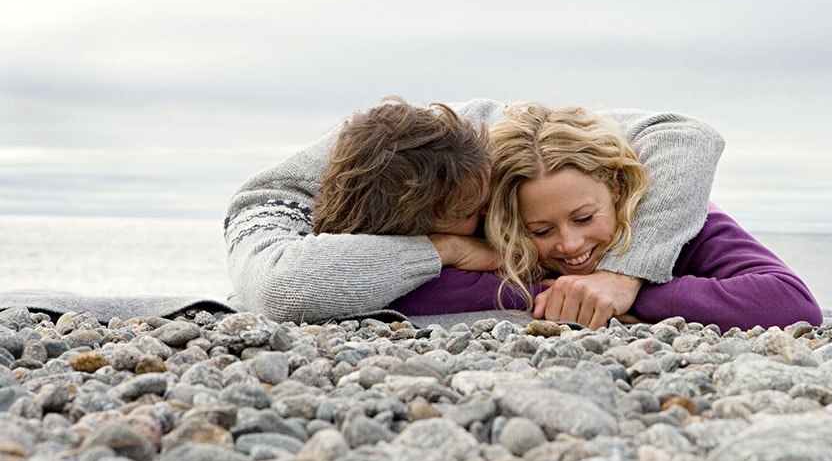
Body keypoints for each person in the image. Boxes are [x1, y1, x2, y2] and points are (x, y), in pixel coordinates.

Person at [223, 96, 725, 324]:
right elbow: (283, 288)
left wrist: (623, 275)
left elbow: (686, 135)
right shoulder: (273, 210)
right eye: (473, 214)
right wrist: (444, 250)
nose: (500, 214)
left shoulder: (486, 135)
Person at [482, 103, 822, 331]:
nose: (570, 244)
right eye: (541, 231)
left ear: (616, 188)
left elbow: (792, 302)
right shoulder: (508, 236)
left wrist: (626, 292)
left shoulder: (678, 218)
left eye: (584, 218)